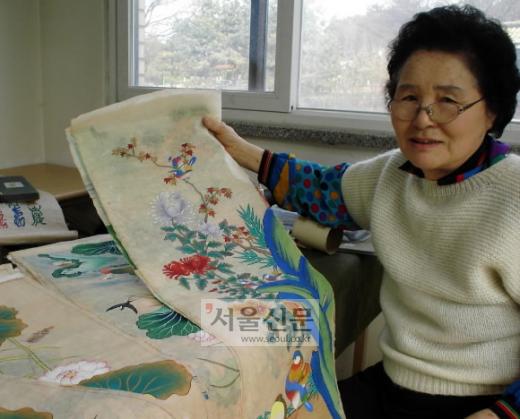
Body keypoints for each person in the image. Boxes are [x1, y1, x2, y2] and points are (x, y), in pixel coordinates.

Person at [203, 5, 520, 419]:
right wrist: (238, 150)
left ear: (492, 109)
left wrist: (503, 413)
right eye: (409, 97)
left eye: (447, 101)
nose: (422, 119)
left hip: (485, 404)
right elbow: (319, 189)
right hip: (391, 386)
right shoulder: (391, 175)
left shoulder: (513, 195)